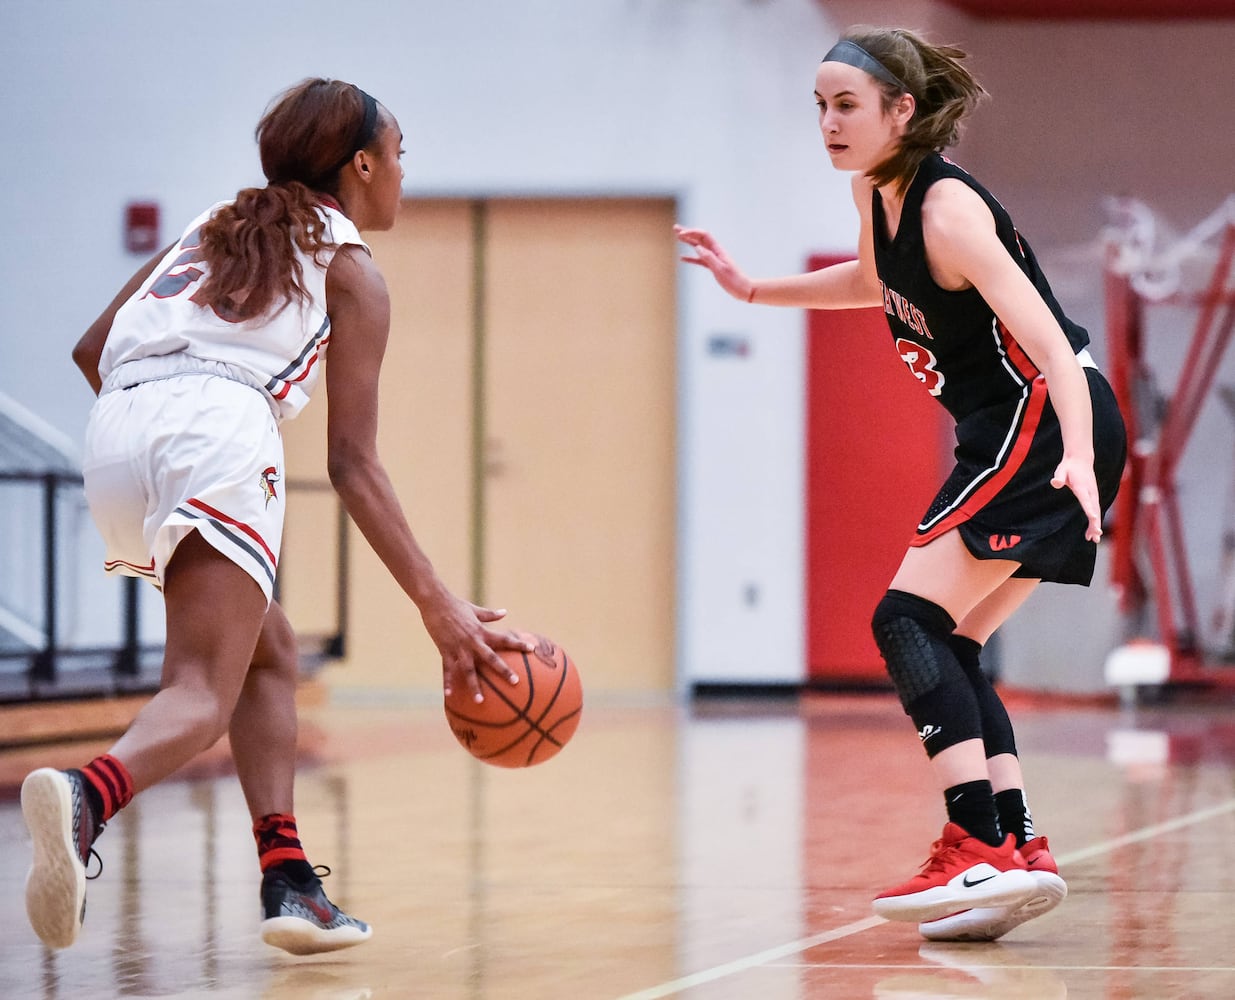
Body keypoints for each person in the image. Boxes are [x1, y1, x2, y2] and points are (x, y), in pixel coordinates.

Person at [22, 77, 531, 955]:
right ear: (361, 163)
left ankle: (288, 880)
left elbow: (90, 349)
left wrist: (154, 433)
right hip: (215, 430)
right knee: (199, 689)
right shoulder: (351, 271)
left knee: (271, 651)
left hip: (113, 435)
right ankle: (86, 798)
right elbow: (353, 465)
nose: (405, 173)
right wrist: (437, 604)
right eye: (400, 154)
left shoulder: (210, 226)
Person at [676, 27, 1126, 941]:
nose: (829, 122)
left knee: (904, 620)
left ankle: (973, 843)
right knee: (948, 638)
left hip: (1045, 418)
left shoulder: (947, 208)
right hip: (1023, 432)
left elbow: (1046, 340)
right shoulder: (873, 195)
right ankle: (1016, 843)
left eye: (846, 105)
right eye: (819, 106)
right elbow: (876, 285)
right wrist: (752, 290)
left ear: (901, 111)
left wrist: (1074, 455)